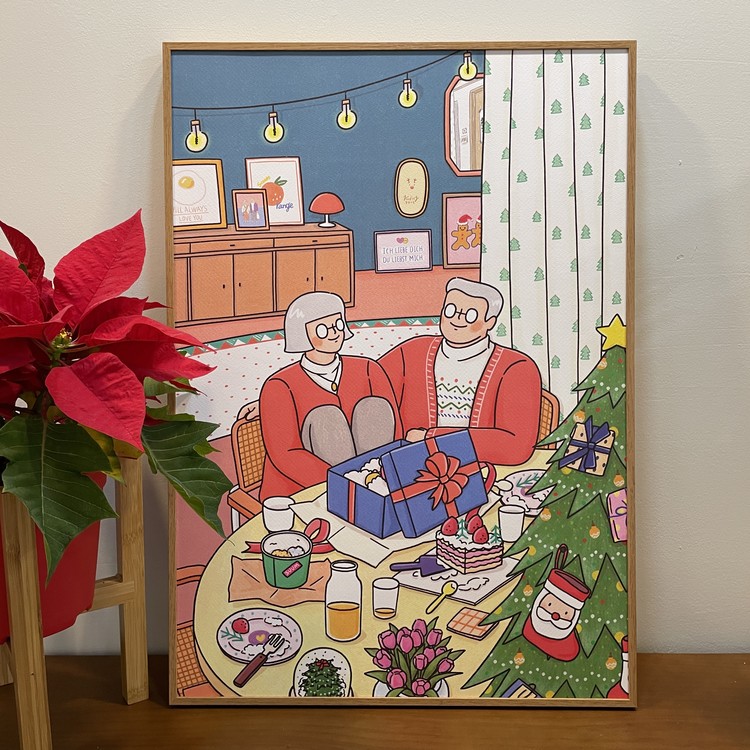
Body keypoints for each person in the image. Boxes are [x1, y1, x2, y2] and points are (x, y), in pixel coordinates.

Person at [378, 277, 541, 466]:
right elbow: (370, 384)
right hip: (411, 464)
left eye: (470, 315)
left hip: (483, 470)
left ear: (490, 322)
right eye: (450, 310)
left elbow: (515, 447)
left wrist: (431, 437)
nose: (456, 319)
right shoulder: (413, 352)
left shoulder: (517, 367)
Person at [257, 291, 401, 500]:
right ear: (301, 333)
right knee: (325, 417)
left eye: (338, 324)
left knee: (374, 407)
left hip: (374, 485)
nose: (334, 333)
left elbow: (395, 429)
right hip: (301, 491)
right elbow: (285, 455)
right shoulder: (279, 386)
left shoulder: (369, 369)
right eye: (322, 328)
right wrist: (341, 484)